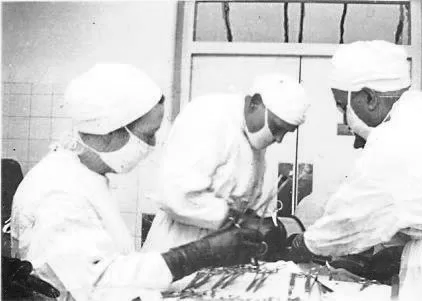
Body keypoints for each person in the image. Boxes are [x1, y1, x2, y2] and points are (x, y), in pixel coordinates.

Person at [9, 64, 264, 301]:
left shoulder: (88, 176)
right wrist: (198, 254)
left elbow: (111, 266)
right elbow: (95, 283)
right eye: (147, 135)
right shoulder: (57, 190)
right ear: (109, 130)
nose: (152, 145)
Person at [282, 41, 422, 300]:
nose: (343, 117)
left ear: (369, 98)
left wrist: (300, 245)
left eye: (340, 105)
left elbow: (346, 222)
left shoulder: (393, 139)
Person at [143, 74, 310, 255]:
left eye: (286, 132)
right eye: (277, 128)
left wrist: (258, 219)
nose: (279, 139)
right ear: (255, 103)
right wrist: (241, 220)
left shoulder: (253, 135)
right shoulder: (209, 115)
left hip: (220, 249)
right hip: (178, 247)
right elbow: (175, 196)